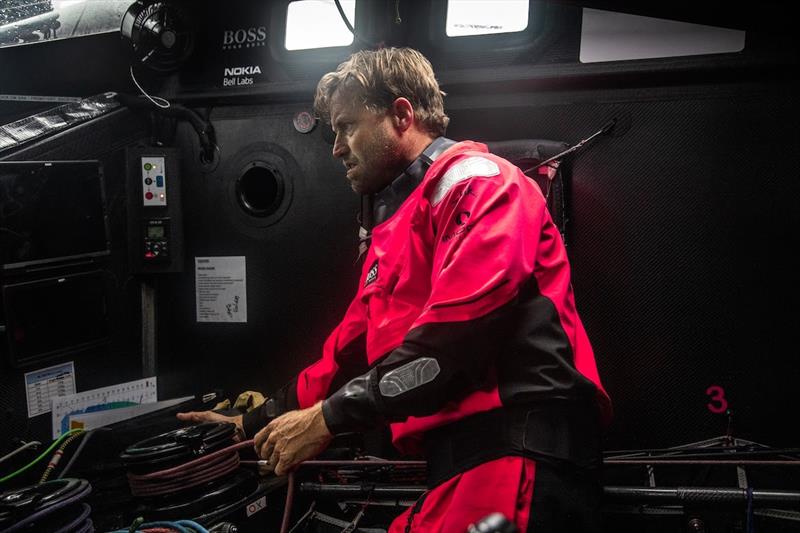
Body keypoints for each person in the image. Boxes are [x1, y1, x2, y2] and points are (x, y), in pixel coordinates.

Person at [179, 47, 612, 533]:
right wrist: (251, 426)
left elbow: (454, 341)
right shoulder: (397, 230)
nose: (336, 147)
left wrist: (327, 420)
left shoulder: (482, 184)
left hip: (517, 465)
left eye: (346, 127)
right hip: (460, 476)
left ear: (402, 114)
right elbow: (342, 359)